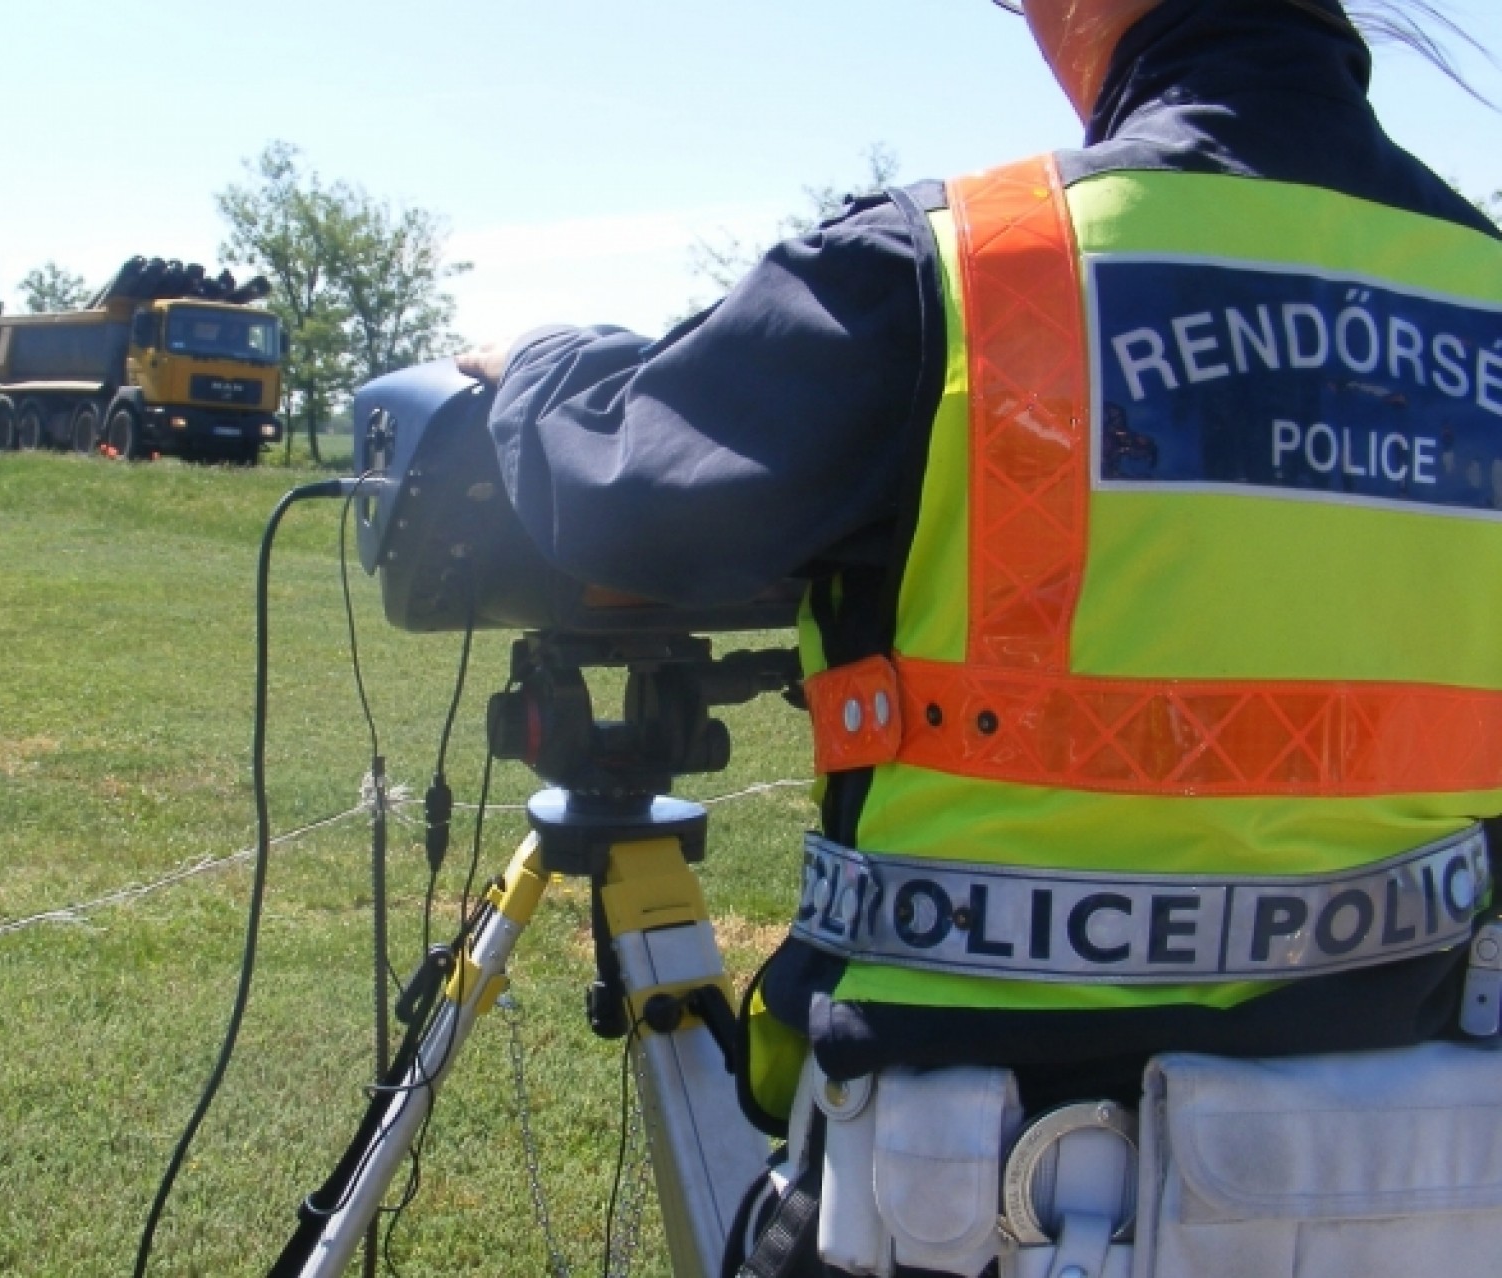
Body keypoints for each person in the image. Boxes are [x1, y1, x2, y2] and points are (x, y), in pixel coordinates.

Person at [458, 0, 1502, 1143]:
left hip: (973, 1184)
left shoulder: (965, 267)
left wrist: (543, 364)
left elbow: (629, 500)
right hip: (1415, 1169)